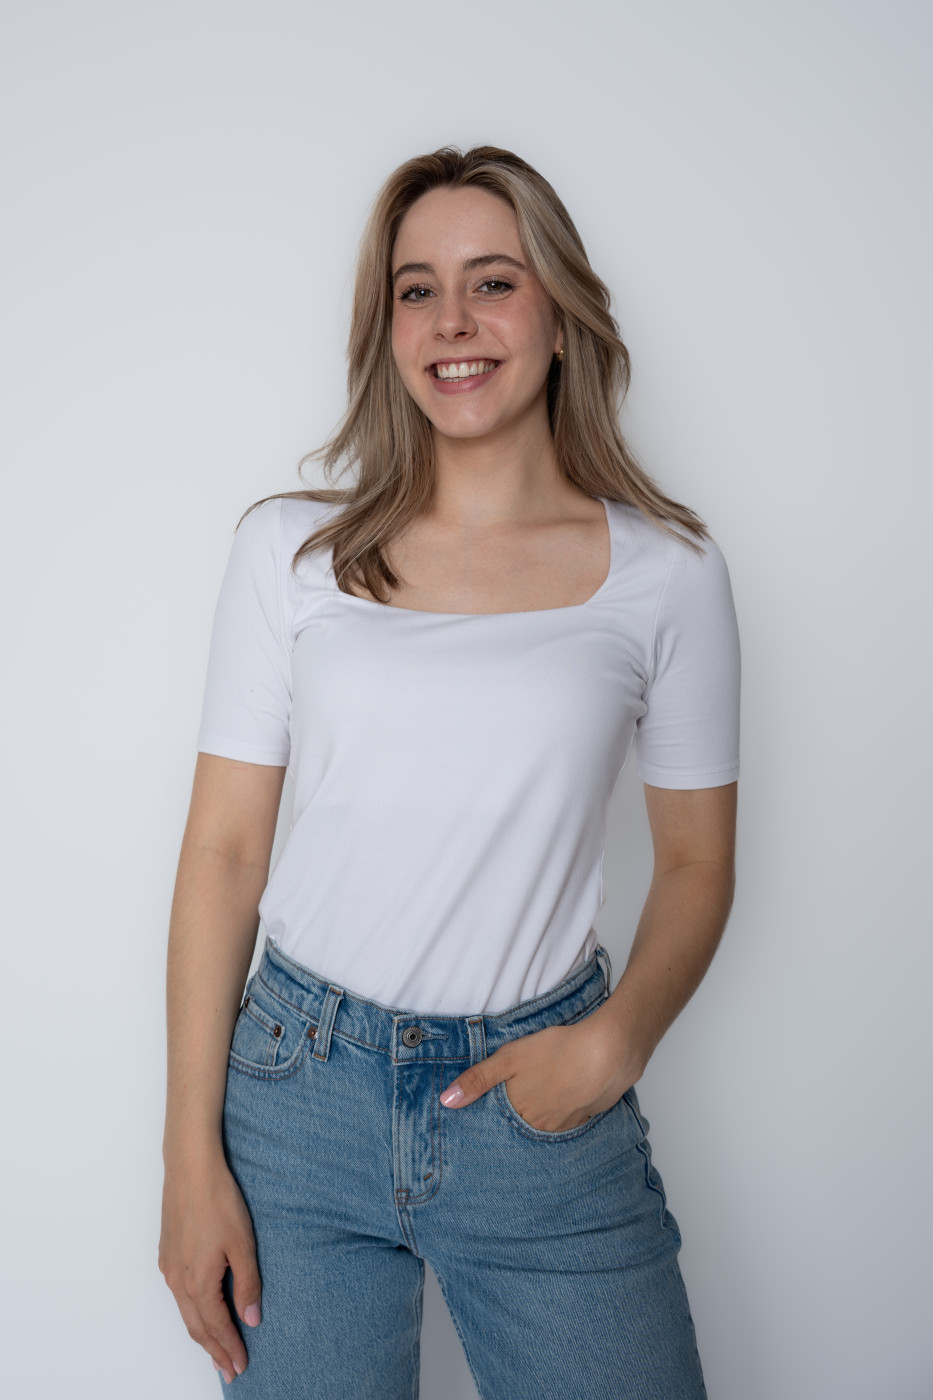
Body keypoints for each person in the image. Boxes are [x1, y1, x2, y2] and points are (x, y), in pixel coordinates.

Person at [159, 144, 740, 1399]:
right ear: (387, 330)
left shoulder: (669, 574)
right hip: (299, 1101)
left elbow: (697, 862)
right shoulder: (291, 554)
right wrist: (187, 1158)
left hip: (541, 1104)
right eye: (416, 289)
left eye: (494, 281)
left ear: (561, 318)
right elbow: (224, 852)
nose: (454, 321)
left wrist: (616, 1041)